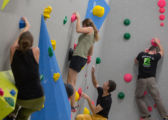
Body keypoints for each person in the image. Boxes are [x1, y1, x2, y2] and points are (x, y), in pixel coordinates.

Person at [8, 17, 45, 120]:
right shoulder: (35, 51)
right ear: (31, 44)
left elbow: (15, 45)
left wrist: (27, 27)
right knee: (23, 116)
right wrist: (28, 27)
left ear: (19, 42)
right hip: (39, 99)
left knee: (12, 105)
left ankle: (11, 114)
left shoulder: (13, 51)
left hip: (21, 98)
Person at [67, 12, 99, 112]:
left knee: (70, 81)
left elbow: (78, 30)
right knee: (73, 81)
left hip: (78, 56)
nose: (83, 27)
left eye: (83, 25)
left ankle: (71, 104)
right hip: (83, 58)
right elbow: (91, 52)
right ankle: (72, 105)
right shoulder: (93, 36)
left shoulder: (90, 29)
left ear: (86, 25)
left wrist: (78, 18)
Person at [135, 38, 168, 120]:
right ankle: (165, 116)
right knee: (157, 98)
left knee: (139, 97)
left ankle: (146, 116)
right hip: (151, 80)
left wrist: (145, 53)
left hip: (141, 80)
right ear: (154, 51)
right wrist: (157, 42)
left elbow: (135, 62)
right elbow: (162, 52)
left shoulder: (141, 54)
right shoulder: (155, 56)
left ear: (148, 50)